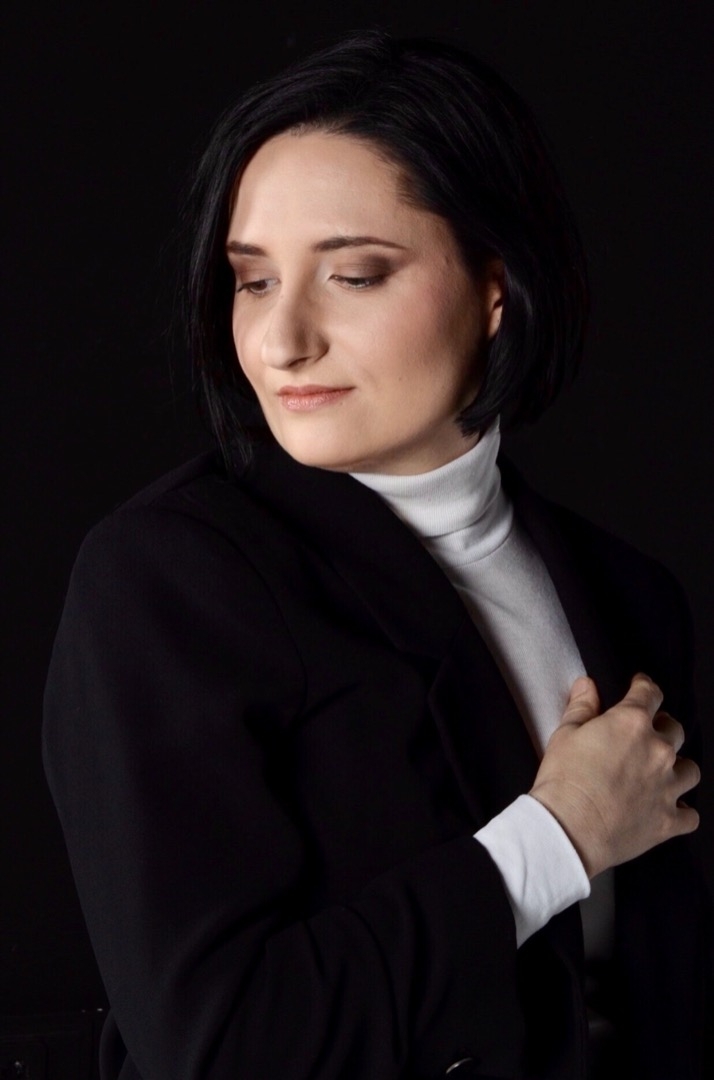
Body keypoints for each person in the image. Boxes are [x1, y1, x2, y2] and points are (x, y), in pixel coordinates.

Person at [43, 30, 709, 1080]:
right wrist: (560, 835)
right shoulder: (165, 580)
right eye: (252, 282)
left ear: (497, 286)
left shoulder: (632, 596)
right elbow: (213, 1045)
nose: (281, 341)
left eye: (353, 276)